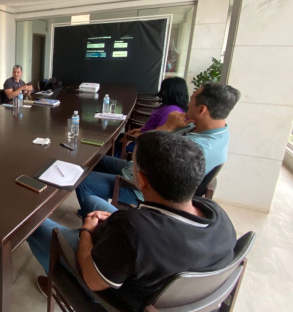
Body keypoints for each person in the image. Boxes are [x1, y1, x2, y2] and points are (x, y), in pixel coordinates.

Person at [27, 131, 237, 312]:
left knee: (33, 225)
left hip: (117, 295)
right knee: (92, 201)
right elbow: (149, 227)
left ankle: (61, 287)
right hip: (151, 259)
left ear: (142, 180)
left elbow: (93, 279)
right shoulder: (218, 215)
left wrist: (87, 232)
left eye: (133, 166)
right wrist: (118, 221)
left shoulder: (133, 229)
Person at [76, 82, 241, 216]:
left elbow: (140, 153)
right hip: (147, 172)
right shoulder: (216, 132)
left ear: (202, 109)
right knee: (96, 157)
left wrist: (168, 126)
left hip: (140, 186)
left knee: (80, 181)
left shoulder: (195, 149)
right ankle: (98, 204)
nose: (187, 104)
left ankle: (94, 227)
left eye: (191, 99)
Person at [114, 77, 189, 157]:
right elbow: (155, 126)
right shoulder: (168, 106)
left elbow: (160, 134)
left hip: (149, 142)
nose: (162, 92)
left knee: (117, 142)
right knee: (117, 138)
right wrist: (140, 129)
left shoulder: (172, 110)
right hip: (145, 136)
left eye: (164, 89)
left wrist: (135, 137)